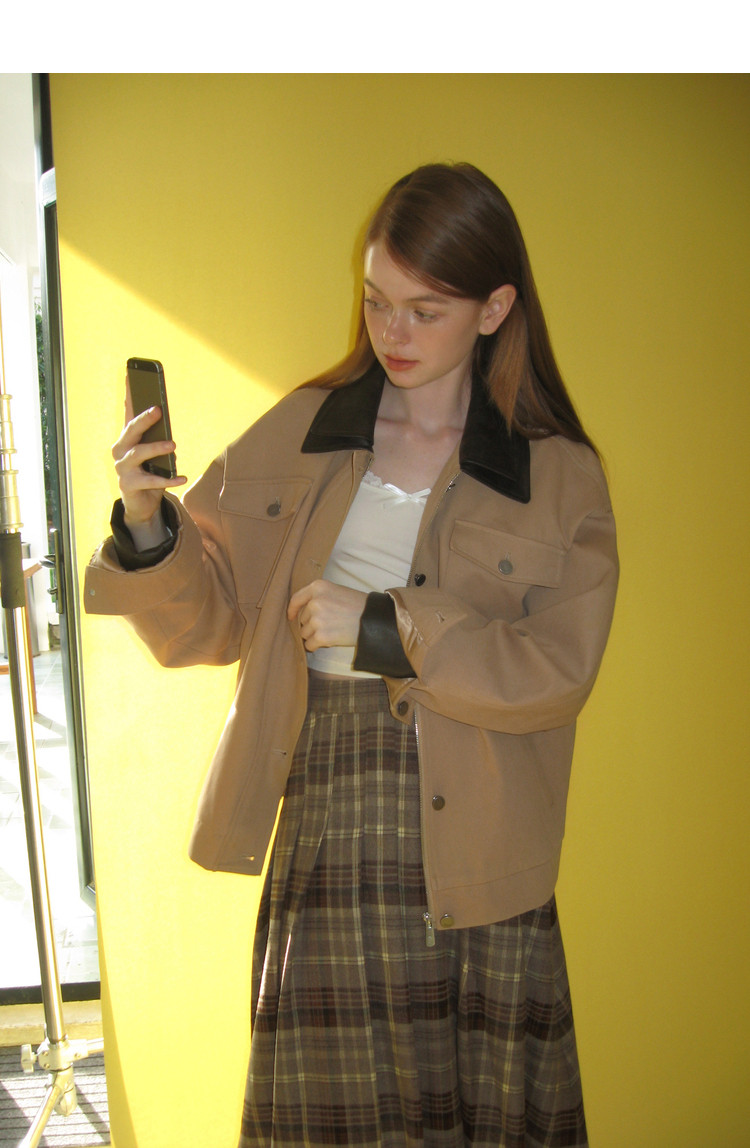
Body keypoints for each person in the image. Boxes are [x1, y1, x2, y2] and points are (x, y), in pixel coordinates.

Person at [85, 162, 618, 1148]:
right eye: (377, 300)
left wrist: (384, 626)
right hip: (332, 826)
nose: (391, 332)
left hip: (483, 853)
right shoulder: (306, 430)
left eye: (425, 309)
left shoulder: (558, 474)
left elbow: (557, 673)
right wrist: (149, 522)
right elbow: (210, 621)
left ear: (496, 307)